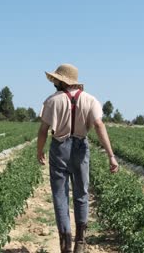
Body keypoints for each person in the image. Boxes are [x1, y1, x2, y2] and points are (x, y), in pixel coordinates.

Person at [37, 63, 119, 253]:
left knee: (60, 197)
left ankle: (65, 243)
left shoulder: (52, 101)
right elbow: (99, 125)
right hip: (81, 147)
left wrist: (39, 150)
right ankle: (80, 243)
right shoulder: (91, 100)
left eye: (56, 79)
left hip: (59, 148)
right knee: (82, 194)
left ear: (62, 81)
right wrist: (111, 156)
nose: (54, 82)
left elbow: (43, 131)